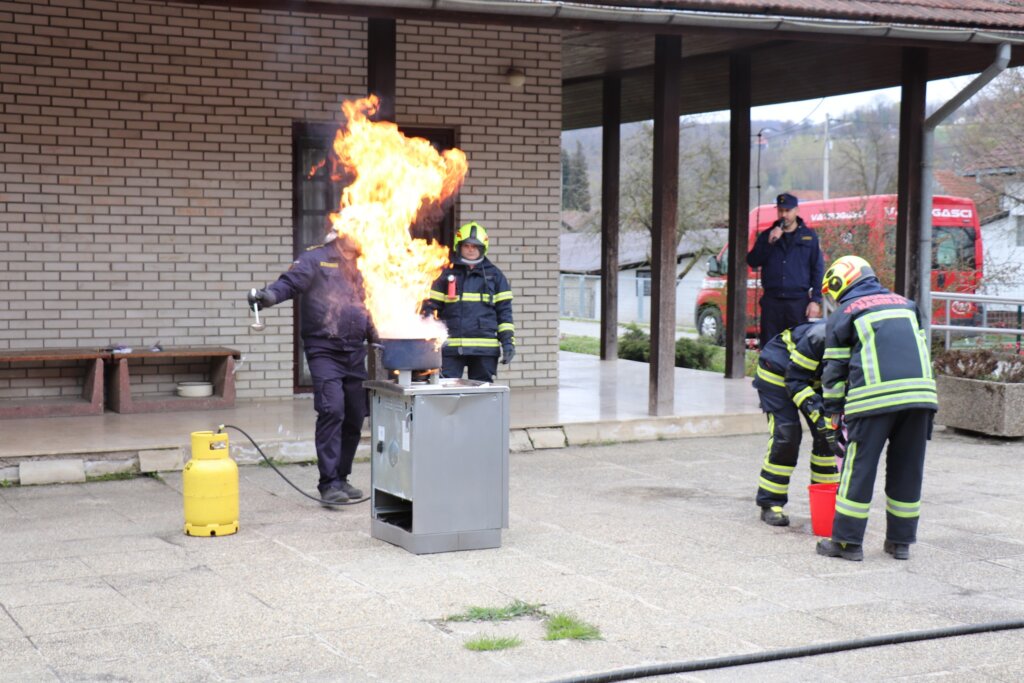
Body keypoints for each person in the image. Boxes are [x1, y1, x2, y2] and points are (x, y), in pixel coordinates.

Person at [816, 255, 938, 561]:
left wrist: (832, 412)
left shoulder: (845, 313)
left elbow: (834, 370)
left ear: (840, 282)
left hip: (873, 401)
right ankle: (900, 543)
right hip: (920, 398)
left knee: (859, 469)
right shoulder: (908, 305)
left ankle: (847, 543)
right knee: (908, 468)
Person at [247, 230, 375, 507]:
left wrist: (386, 338)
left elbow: (371, 306)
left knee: (355, 415)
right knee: (332, 410)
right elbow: (290, 283)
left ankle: (342, 477)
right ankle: (328, 484)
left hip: (355, 350)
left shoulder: (366, 263)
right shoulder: (316, 258)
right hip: (324, 349)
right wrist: (269, 296)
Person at [753, 320, 840, 527]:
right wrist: (816, 413)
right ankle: (770, 502)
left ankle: (826, 503)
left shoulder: (865, 346)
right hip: (778, 372)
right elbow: (795, 381)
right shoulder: (819, 335)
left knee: (828, 437)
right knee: (787, 436)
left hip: (814, 378)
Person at [422, 221, 515, 382]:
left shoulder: (496, 277)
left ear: (482, 248)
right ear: (460, 247)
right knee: (445, 394)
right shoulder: (444, 274)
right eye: (467, 246)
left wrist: (508, 343)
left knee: (482, 397)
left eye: (475, 246)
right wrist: (427, 338)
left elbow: (504, 314)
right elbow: (430, 308)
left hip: (484, 351)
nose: (471, 250)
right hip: (450, 348)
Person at [746, 192, 825, 349]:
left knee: (798, 347)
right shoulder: (767, 235)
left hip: (798, 302)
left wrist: (815, 300)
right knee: (770, 347)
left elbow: (817, 269)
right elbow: (752, 261)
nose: (784, 215)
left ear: (796, 211)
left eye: (788, 211)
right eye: (781, 210)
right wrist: (769, 243)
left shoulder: (809, 237)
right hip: (772, 302)